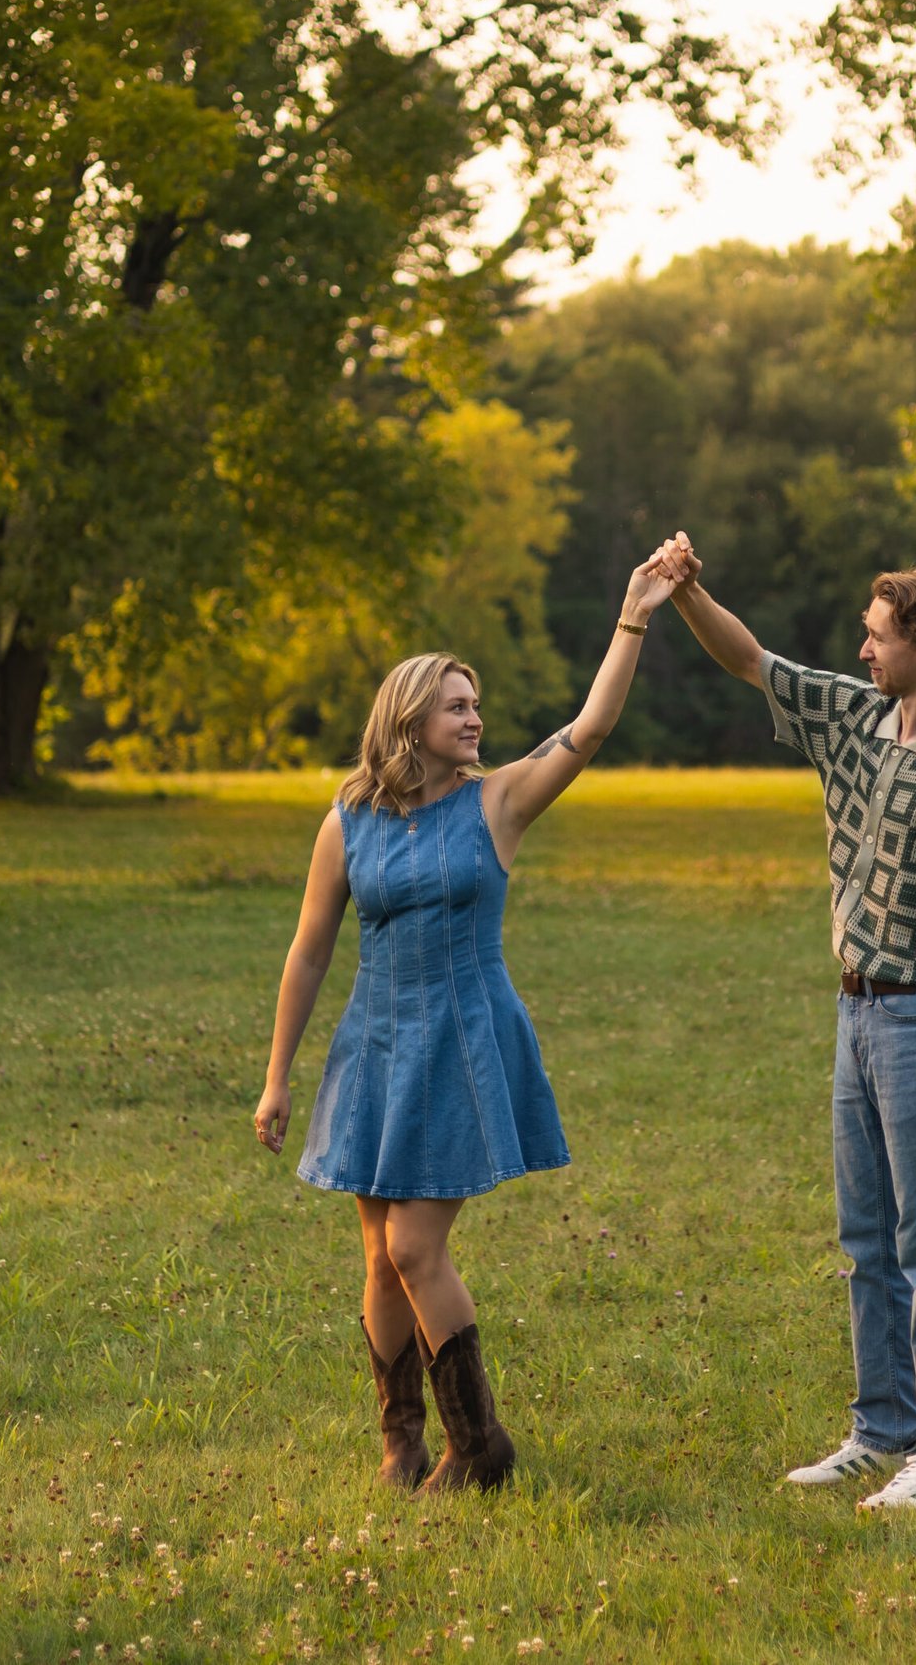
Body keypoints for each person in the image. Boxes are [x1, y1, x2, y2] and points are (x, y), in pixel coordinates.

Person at [252, 558, 681, 1493]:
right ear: (409, 720)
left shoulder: (499, 800)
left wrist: (634, 614)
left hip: (462, 1037)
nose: (475, 718)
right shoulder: (348, 821)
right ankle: (399, 1441)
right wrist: (278, 1075)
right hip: (376, 1043)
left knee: (415, 1247)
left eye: (475, 703)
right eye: (456, 706)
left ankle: (479, 1446)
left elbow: (592, 727)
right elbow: (310, 952)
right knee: (377, 1252)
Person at [647, 532, 916, 1512]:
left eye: (878, 636)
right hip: (854, 1017)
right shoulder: (856, 719)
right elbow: (748, 660)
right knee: (866, 1240)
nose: (863, 651)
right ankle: (883, 1429)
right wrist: (688, 589)